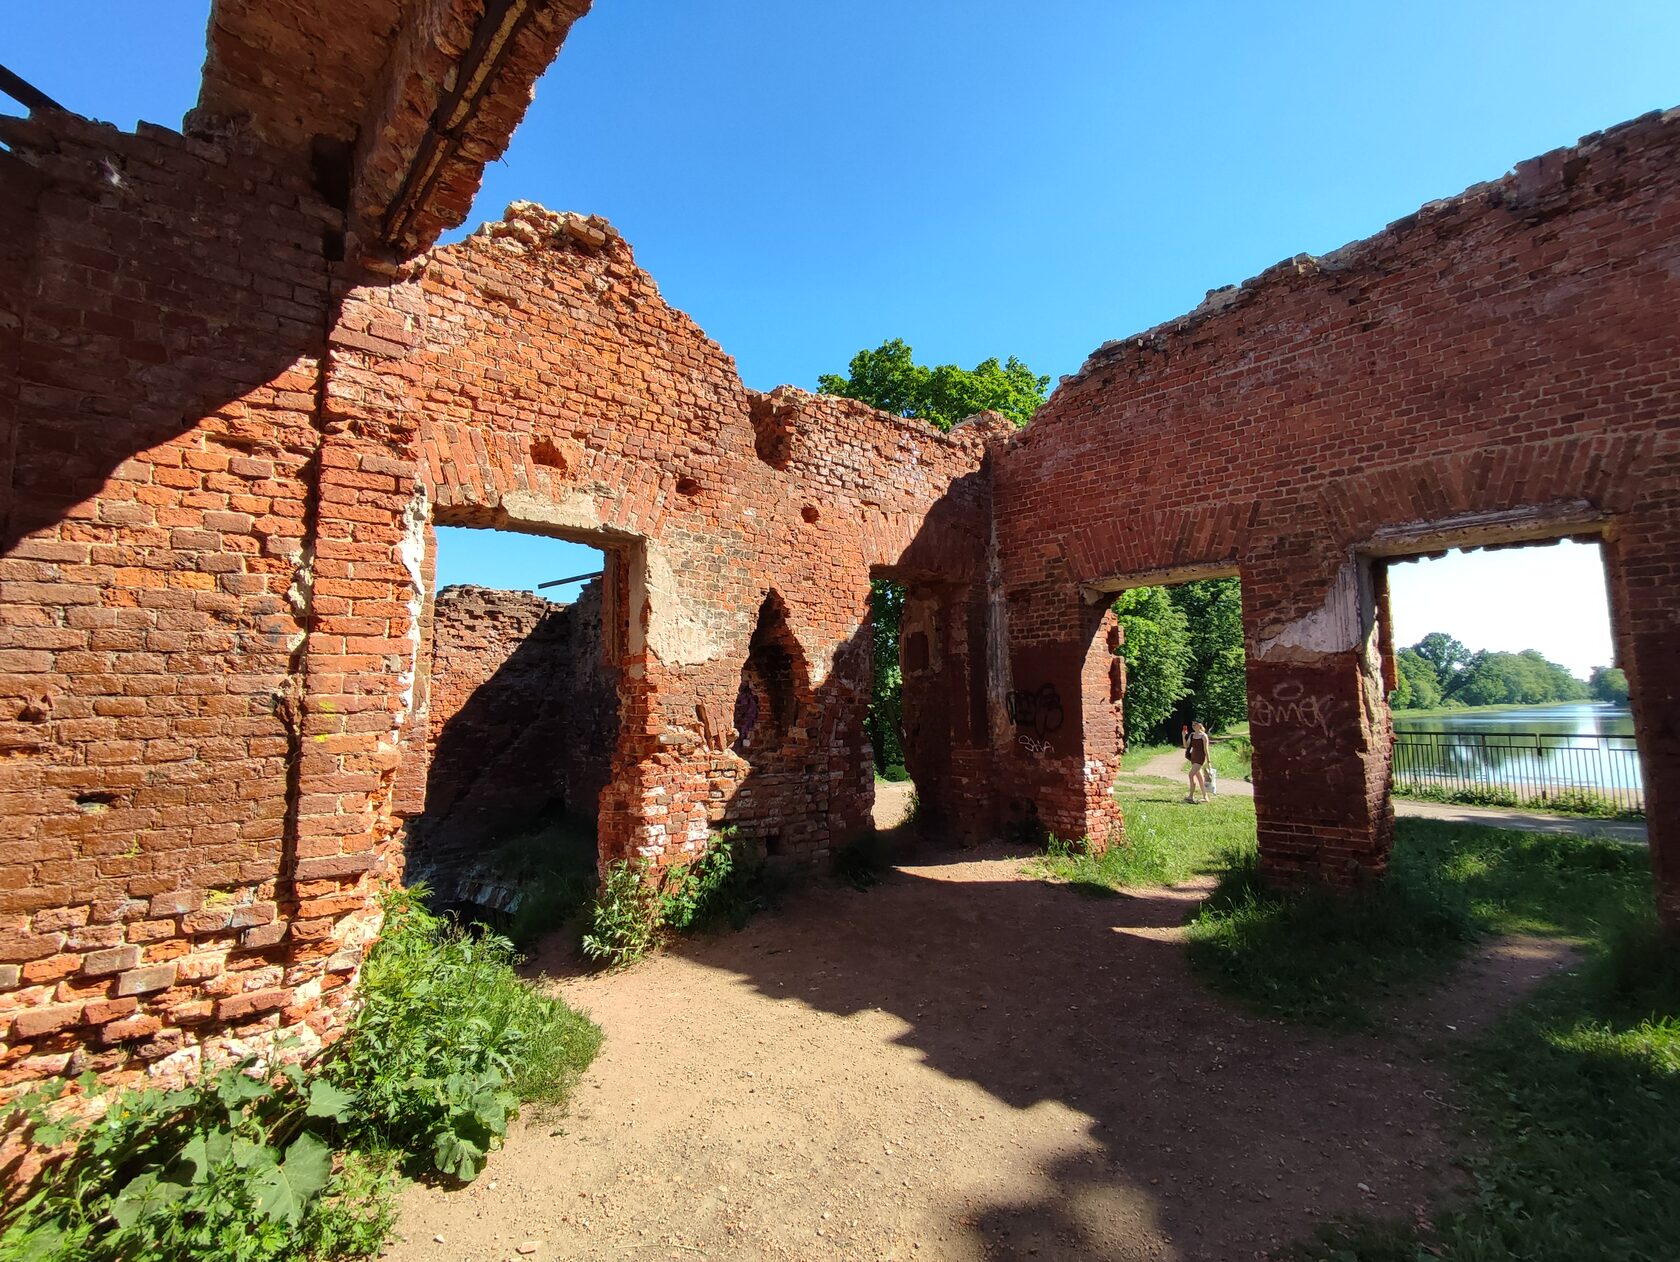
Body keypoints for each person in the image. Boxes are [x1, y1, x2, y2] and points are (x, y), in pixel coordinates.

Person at [1184, 720, 1211, 803]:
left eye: (1195, 724)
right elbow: (1186, 746)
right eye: (1192, 724)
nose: (1193, 725)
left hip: (1200, 758)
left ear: (1199, 725)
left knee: (1191, 774)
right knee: (1200, 778)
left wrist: (1209, 761)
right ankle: (1205, 797)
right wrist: (1183, 736)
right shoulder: (1192, 735)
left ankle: (1191, 796)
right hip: (1193, 757)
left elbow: (1206, 749)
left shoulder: (1204, 736)